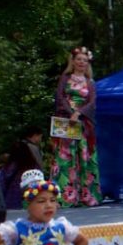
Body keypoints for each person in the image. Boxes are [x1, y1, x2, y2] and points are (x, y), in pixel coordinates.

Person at [51, 46, 101, 207]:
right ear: (73, 61)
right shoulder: (65, 78)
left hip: (83, 122)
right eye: (79, 59)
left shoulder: (90, 82)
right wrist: (70, 112)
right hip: (66, 121)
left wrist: (78, 113)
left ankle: (86, 195)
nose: (81, 63)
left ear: (88, 63)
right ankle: (65, 197)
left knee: (84, 156)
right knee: (65, 156)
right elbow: (60, 97)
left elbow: (92, 102)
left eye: (85, 61)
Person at [1, 126, 45, 208]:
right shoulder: (34, 162)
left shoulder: (9, 167)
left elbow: (3, 182)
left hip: (11, 200)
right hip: (31, 201)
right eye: (40, 137)